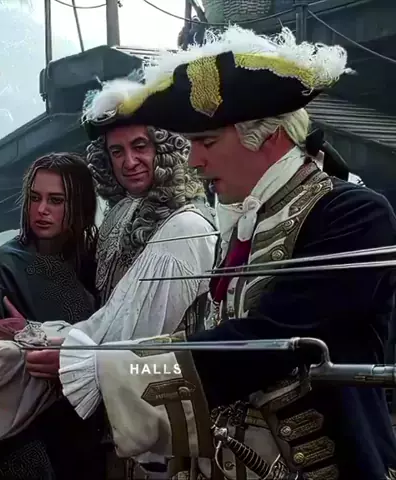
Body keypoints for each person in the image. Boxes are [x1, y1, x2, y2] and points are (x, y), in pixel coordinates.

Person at [56, 25, 396, 479]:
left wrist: (113, 372)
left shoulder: (353, 214)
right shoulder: (243, 218)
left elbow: (272, 339)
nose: (194, 161)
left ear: (266, 136)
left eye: (207, 142)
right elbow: (210, 327)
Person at [0, 107, 218, 477]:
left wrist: (43, 339)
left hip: (162, 420)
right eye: (116, 151)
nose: (129, 162)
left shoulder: (186, 227)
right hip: (112, 422)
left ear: (166, 147)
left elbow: (132, 334)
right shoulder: (119, 215)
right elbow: (107, 317)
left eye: (140, 146)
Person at [0, 153, 103, 479]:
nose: (42, 209)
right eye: (35, 198)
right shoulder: (4, 267)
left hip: (89, 427)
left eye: (56, 200)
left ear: (80, 204)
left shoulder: (97, 259)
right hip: (23, 434)